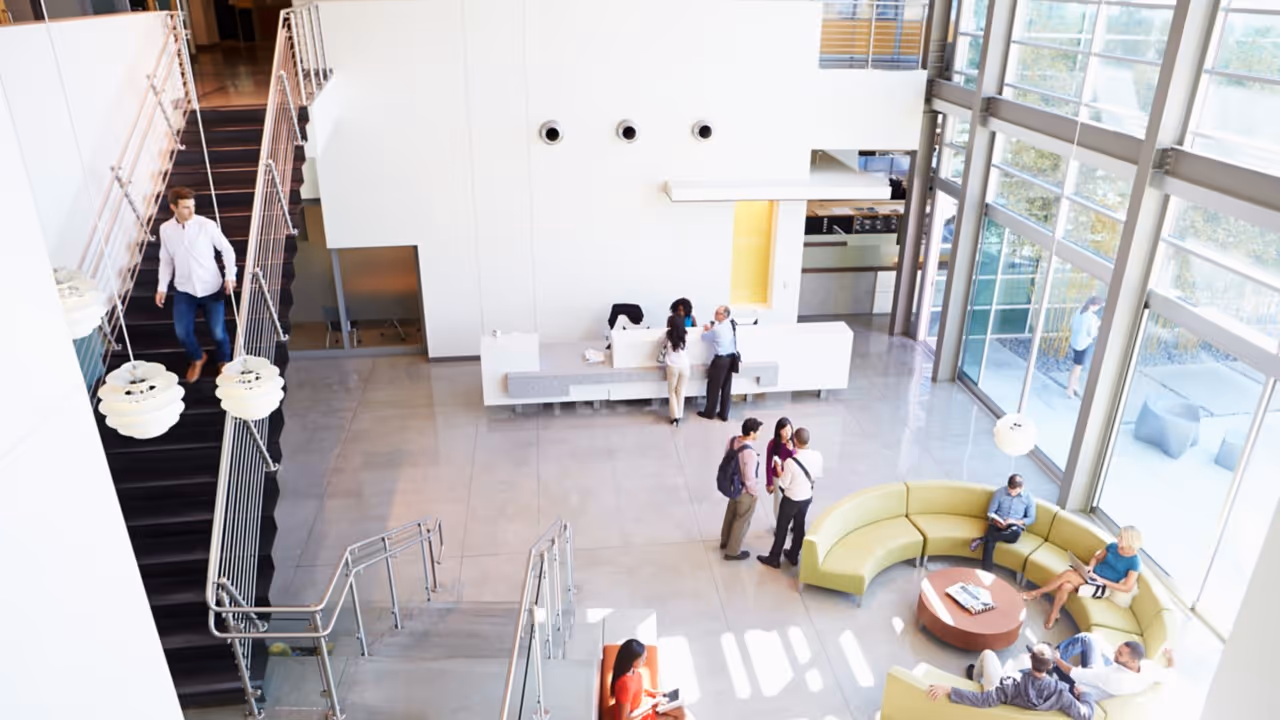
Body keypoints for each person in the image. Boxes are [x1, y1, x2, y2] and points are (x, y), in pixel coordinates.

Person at [156, 186, 236, 383]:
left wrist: (230, 275)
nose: (191, 211)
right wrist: (162, 287)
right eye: (185, 207)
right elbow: (166, 259)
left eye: (192, 206)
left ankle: (224, 360)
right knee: (182, 332)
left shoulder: (206, 225)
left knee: (218, 332)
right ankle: (198, 357)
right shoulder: (165, 229)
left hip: (211, 287)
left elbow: (227, 250)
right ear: (173, 207)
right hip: (185, 289)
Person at [928, 642, 1097, 720]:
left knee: (988, 654)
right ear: (1052, 665)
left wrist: (950, 689)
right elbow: (1086, 715)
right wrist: (1086, 694)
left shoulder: (1010, 682)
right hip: (1024, 701)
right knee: (1014, 663)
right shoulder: (1060, 692)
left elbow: (984, 700)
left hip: (1009, 693)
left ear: (1031, 658)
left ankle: (974, 677)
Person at [1023, 526, 1143, 630]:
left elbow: (1127, 588)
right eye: (1119, 536)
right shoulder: (1112, 546)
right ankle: (1054, 614)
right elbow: (1096, 558)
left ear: (1130, 541)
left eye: (1121, 537)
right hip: (1091, 576)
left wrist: (1101, 580)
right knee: (1065, 586)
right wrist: (1090, 567)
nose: (1118, 539)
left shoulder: (1134, 562)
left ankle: (1036, 592)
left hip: (1102, 587)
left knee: (1068, 574)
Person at [758, 427, 822, 569]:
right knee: (799, 526)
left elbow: (783, 483)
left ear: (795, 441)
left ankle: (774, 558)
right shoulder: (817, 456)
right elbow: (817, 475)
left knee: (782, 527)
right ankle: (793, 555)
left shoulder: (791, 462)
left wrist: (779, 468)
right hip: (806, 498)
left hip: (791, 499)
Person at [1048, 632, 1173, 700]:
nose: (1115, 653)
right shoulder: (1148, 667)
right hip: (1104, 677)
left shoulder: (1112, 676)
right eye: (1118, 649)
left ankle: (1047, 658)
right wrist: (1171, 657)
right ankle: (1050, 659)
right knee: (1096, 642)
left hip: (1087, 689)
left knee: (1086, 639)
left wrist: (1054, 656)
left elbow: (1071, 671)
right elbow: (1170, 673)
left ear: (1133, 661)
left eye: (1120, 654)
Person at [968, 474, 1036, 572]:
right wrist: (996, 520)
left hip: (1013, 528)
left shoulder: (1028, 498)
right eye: (1009, 490)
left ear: (1021, 487)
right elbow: (991, 512)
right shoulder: (999, 493)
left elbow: (1031, 518)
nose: (1012, 493)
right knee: (990, 542)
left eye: (1015, 491)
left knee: (1015, 532)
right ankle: (986, 572)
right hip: (997, 523)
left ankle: (982, 539)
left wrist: (1014, 521)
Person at [610, 638, 686, 720]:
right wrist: (650, 705)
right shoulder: (624, 685)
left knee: (681, 711)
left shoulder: (634, 671)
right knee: (675, 717)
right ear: (632, 660)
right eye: (642, 659)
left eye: (645, 658)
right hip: (637, 715)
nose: (645, 661)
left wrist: (655, 693)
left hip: (642, 705)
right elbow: (625, 718)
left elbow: (636, 689)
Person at [720, 417, 762, 561]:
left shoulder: (732, 441)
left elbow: (727, 457)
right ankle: (732, 551)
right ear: (751, 433)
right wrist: (754, 493)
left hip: (732, 486)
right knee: (742, 519)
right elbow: (749, 478)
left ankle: (725, 540)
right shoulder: (749, 453)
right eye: (757, 431)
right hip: (744, 491)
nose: (758, 434)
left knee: (730, 513)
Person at [697, 305, 737, 422]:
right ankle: (724, 414)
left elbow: (704, 338)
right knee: (726, 388)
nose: (715, 314)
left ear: (724, 315)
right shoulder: (730, 325)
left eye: (717, 313)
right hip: (731, 359)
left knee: (713, 387)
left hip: (720, 361)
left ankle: (709, 413)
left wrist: (706, 329)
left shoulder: (717, 329)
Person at [1066, 296, 1103, 398]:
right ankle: (1070, 388)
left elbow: (1072, 324)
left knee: (1077, 365)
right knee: (1077, 367)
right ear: (1095, 305)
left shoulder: (1079, 311)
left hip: (1075, 341)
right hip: (1082, 344)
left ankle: (1075, 385)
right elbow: (1091, 333)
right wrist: (1097, 326)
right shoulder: (1091, 317)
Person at [661, 315, 690, 426]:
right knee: (681, 391)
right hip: (685, 366)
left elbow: (660, 343)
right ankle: (679, 415)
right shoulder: (686, 334)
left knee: (672, 391)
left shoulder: (667, 335)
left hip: (672, 366)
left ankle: (675, 417)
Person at [765, 417, 795, 522]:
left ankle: (789, 523)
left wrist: (791, 451)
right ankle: (779, 524)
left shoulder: (793, 443)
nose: (788, 433)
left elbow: (796, 460)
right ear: (779, 431)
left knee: (791, 501)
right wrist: (769, 483)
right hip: (777, 477)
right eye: (785, 430)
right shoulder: (773, 444)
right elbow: (768, 464)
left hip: (791, 477)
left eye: (789, 430)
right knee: (778, 501)